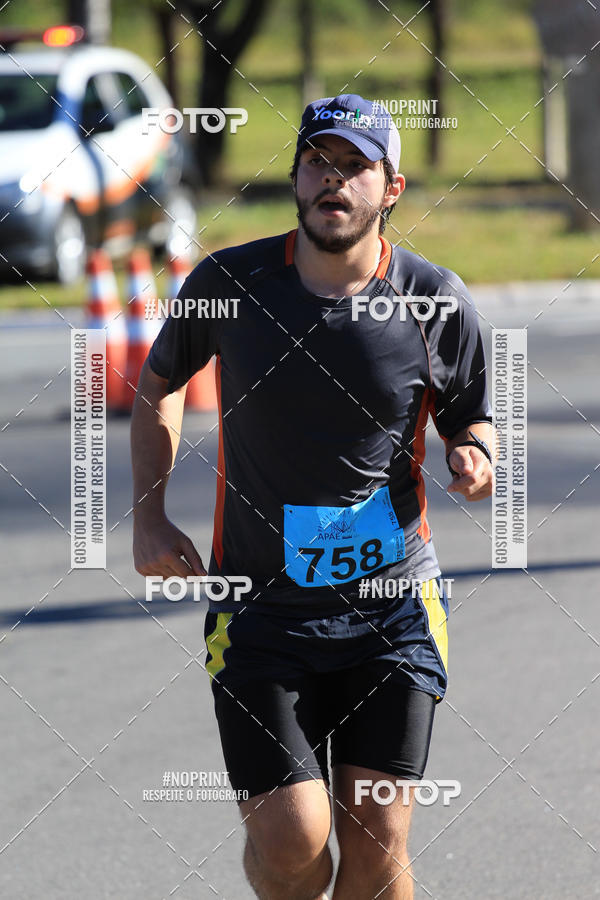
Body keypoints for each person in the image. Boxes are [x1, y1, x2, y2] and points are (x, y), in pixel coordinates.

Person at [131, 93, 495, 900]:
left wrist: (475, 453)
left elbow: (473, 413)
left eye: (355, 166)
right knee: (294, 842)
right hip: (261, 611)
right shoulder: (232, 283)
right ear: (296, 178)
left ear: (391, 188)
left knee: (378, 835)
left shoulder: (434, 299)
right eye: (317, 162)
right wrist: (148, 513)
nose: (334, 179)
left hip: (393, 606)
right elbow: (159, 380)